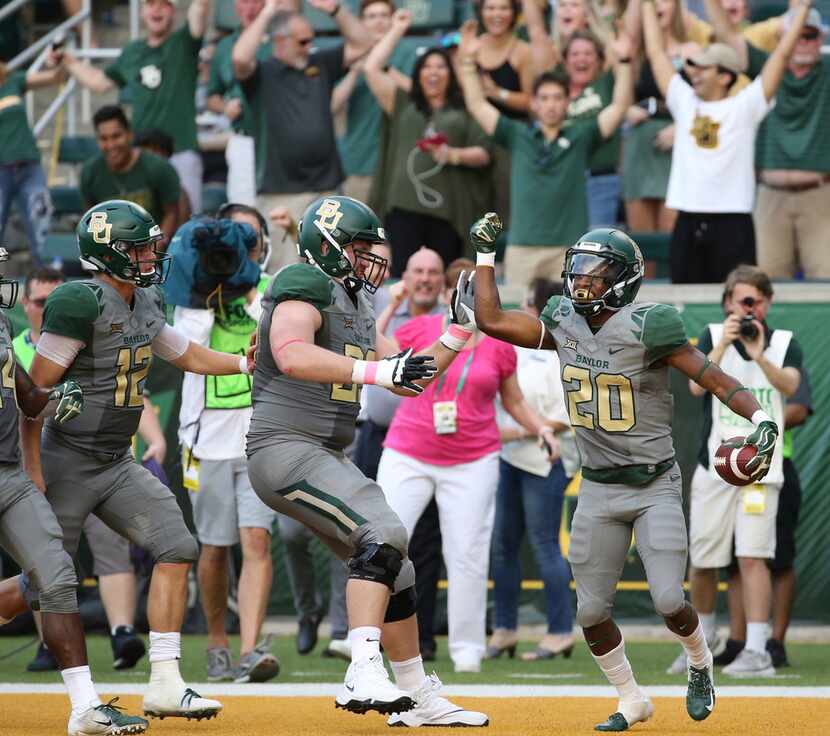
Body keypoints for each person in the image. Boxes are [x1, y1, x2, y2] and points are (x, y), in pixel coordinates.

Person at [466, 212, 780, 730]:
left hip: (654, 482)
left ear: (623, 280)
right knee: (590, 614)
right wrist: (484, 257)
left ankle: (700, 662)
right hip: (597, 487)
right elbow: (492, 320)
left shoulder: (649, 326)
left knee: (668, 599)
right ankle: (631, 698)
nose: (582, 280)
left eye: (596, 272)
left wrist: (762, 419)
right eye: (580, 269)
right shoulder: (563, 320)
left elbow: (715, 376)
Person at [246, 194, 487, 727]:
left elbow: (407, 371)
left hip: (319, 451)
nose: (373, 260)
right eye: (360, 249)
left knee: (395, 567)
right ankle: (361, 666)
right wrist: (378, 374)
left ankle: (416, 695)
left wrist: (458, 333)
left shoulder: (355, 302)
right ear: (328, 247)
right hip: (284, 445)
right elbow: (290, 352)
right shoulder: (303, 283)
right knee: (385, 531)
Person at [19, 199, 260, 721]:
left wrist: (244, 361)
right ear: (107, 254)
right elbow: (34, 395)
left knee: (176, 545)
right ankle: (85, 705)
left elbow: (186, 354)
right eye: (138, 247)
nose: (151, 254)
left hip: (115, 458)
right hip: (66, 458)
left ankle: (166, 683)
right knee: (42, 583)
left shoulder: (145, 296)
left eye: (151, 244)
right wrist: (34, 470)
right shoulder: (78, 302)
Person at [378, 257, 558, 673]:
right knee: (382, 545)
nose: (472, 302)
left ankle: (467, 651)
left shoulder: (499, 345)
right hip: (409, 452)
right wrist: (391, 303)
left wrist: (541, 429)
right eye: (464, 293)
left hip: (473, 459)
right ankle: (366, 640)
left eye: (480, 296)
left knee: (468, 554)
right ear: (448, 297)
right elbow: (380, 348)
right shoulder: (420, 328)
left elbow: (512, 400)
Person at [0, 248, 150, 736]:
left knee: (57, 576)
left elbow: (24, 393)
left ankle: (85, 708)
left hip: (8, 473)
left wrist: (54, 399)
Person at [671, 265, 802, 678]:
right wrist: (724, 344)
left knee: (753, 557)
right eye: (743, 301)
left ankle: (758, 650)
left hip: (761, 466)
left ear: (768, 303)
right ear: (728, 302)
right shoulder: (711, 336)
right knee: (704, 558)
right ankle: (702, 644)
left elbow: (790, 387)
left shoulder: (782, 341)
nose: (750, 309)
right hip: (716, 463)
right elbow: (695, 386)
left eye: (757, 301)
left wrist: (759, 354)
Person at [172, 202, 279, 683]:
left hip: (259, 436)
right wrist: (207, 286)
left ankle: (251, 647)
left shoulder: (271, 291)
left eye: (249, 239)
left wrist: (252, 284)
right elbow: (188, 352)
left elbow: (276, 334)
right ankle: (217, 639)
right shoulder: (192, 290)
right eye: (234, 239)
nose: (241, 248)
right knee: (213, 547)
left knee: (257, 539)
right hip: (206, 439)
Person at [643, 0, 808, 283]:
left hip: (733, 222)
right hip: (688, 219)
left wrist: (803, 10)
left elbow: (779, 57)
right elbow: (656, 52)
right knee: (684, 303)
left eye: (704, 68)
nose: (694, 73)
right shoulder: (684, 101)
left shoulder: (745, 106)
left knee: (736, 301)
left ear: (725, 76)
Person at [457, 21, 632, 287]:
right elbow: (477, 104)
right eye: (545, 98)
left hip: (569, 247)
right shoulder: (517, 134)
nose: (551, 104)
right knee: (515, 321)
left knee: (569, 321)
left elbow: (619, 107)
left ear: (567, 102)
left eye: (557, 98)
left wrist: (625, 62)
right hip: (522, 247)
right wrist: (468, 63)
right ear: (535, 104)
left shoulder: (581, 135)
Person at [233, 1, 372, 272]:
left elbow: (364, 43)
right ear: (280, 41)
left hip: (326, 188)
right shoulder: (263, 73)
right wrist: (269, 11)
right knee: (285, 271)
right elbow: (239, 58)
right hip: (281, 192)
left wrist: (336, 10)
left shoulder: (319, 63)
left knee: (331, 268)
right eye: (303, 41)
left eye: (311, 39)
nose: (310, 46)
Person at [705, 0, 830, 279]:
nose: (802, 41)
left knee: (826, 285)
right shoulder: (768, 70)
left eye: (809, 35)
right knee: (767, 284)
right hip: (769, 195)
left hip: (821, 194)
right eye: (796, 34)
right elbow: (726, 33)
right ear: (780, 38)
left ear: (820, 38)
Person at [365, 10, 493, 276]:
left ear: (451, 74)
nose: (433, 72)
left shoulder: (466, 109)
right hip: (403, 210)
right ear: (418, 74)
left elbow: (484, 154)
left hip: (449, 214)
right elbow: (372, 68)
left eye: (441, 66)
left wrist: (452, 154)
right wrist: (398, 29)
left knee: (444, 281)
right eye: (427, 67)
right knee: (405, 277)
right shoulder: (403, 104)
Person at [488, 278, 577, 662]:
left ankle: (560, 632)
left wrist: (521, 429)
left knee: (544, 546)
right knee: (503, 547)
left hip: (545, 461)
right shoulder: (511, 348)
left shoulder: (565, 349)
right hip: (509, 457)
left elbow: (563, 415)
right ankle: (504, 629)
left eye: (526, 303)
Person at [58, 0, 210, 214]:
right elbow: (99, 82)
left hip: (181, 150)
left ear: (173, 11)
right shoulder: (132, 52)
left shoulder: (185, 41)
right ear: (141, 12)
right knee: (144, 226)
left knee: (189, 229)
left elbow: (200, 9)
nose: (156, 9)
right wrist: (67, 61)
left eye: (164, 4)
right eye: (150, 4)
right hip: (143, 156)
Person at [713, 367, 812, 669]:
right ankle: (738, 641)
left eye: (753, 312)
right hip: (730, 466)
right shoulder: (719, 354)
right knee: (734, 561)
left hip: (775, 466)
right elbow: (699, 392)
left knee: (778, 559)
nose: (745, 315)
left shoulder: (783, 349)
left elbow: (800, 408)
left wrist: (760, 425)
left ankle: (775, 642)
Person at [621, 0, 706, 234]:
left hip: (678, 150)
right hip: (640, 147)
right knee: (639, 242)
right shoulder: (634, 54)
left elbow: (708, 103)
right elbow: (621, 100)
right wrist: (627, 110)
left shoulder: (692, 51)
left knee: (672, 234)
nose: (658, 6)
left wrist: (682, 128)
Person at [332, 0, 415, 205]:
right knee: (358, 231)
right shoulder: (345, 55)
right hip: (359, 161)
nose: (378, 21)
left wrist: (379, 67)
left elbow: (418, 93)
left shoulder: (406, 52)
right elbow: (332, 105)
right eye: (371, 16)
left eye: (384, 15)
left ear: (393, 19)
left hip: (400, 160)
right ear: (361, 22)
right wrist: (354, 70)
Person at [82, 106, 182, 248]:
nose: (110, 145)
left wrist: (152, 252)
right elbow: (90, 223)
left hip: (153, 252)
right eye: (104, 139)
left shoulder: (158, 168)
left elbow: (172, 214)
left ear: (129, 135)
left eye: (116, 136)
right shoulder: (90, 172)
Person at [0, 60, 67, 264]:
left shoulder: (12, 80)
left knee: (41, 226)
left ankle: (48, 282)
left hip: (29, 166)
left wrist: (57, 59)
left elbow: (58, 76)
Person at [206, 0, 268, 206]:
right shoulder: (224, 46)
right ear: (235, 5)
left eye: (255, 2)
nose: (249, 8)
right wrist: (225, 107)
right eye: (243, 2)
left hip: (279, 140)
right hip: (244, 140)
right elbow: (212, 97)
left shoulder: (280, 38)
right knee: (243, 210)